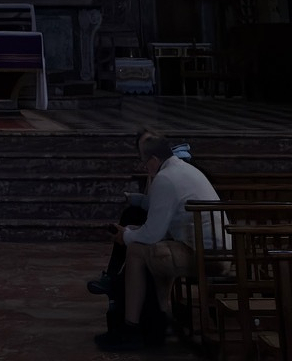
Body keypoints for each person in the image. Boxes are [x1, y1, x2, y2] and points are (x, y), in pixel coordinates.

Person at [94, 135, 220, 350]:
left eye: (145, 162)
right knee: (144, 243)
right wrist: (132, 232)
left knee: (136, 251)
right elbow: (157, 226)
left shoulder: (166, 177)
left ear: (154, 159)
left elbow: (152, 235)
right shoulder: (182, 169)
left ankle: (131, 329)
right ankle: (155, 322)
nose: (145, 167)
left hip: (205, 256)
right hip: (214, 249)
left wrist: (124, 236)